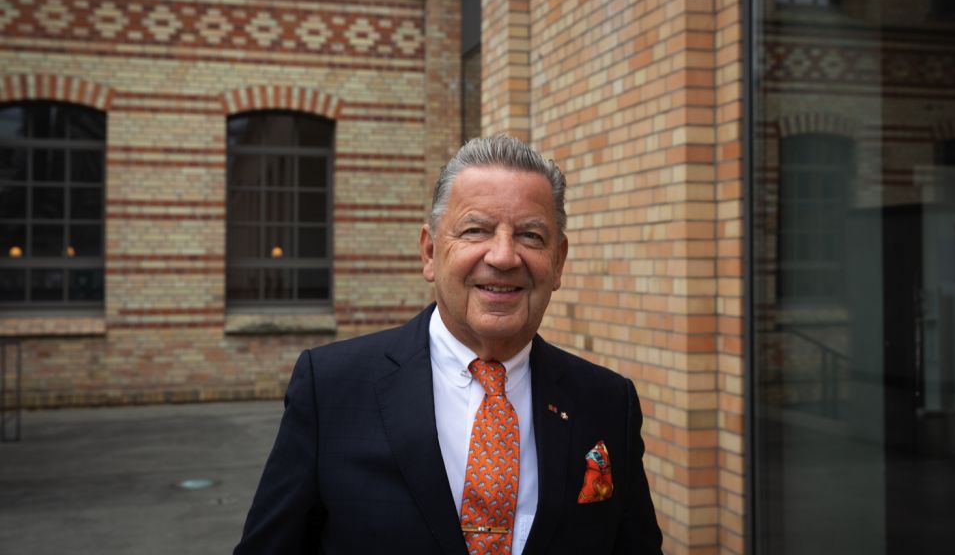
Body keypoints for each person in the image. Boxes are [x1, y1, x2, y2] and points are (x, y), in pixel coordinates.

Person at [235, 135, 663, 554]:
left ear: (558, 262)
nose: (503, 256)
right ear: (429, 252)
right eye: (476, 230)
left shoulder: (608, 403)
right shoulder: (330, 388)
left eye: (531, 236)